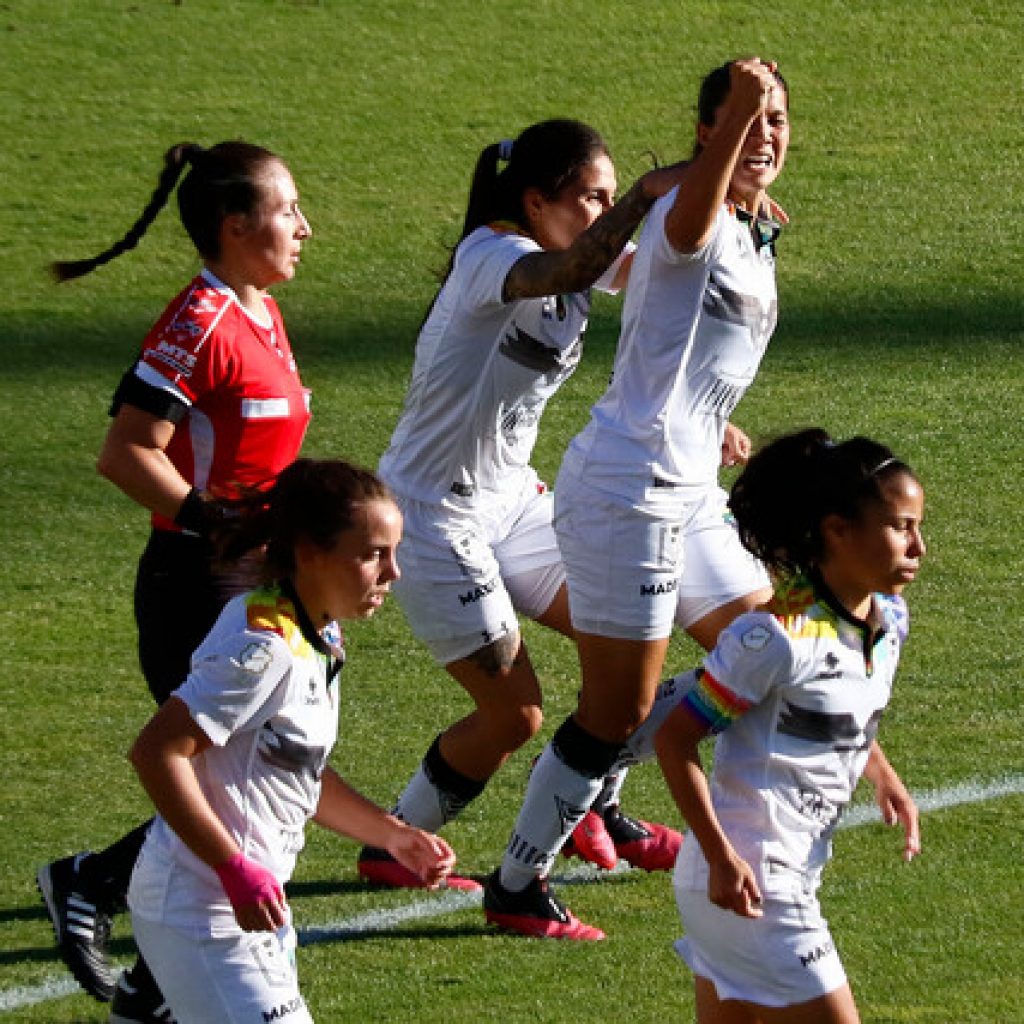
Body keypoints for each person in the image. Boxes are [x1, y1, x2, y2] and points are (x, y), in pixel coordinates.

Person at [480, 58, 788, 938]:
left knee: (773, 650)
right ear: (709, 131)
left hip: (685, 488)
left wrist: (717, 421)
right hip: (628, 491)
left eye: (778, 120)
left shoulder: (749, 227)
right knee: (614, 708)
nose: (766, 132)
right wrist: (727, 132)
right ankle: (515, 884)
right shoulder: (689, 216)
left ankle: (609, 788)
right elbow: (686, 226)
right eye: (748, 118)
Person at [357, 119, 696, 905]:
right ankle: (391, 843)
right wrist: (648, 191)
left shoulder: (574, 255)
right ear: (536, 201)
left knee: (620, 641)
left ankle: (593, 805)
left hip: (509, 502)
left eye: (612, 196)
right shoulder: (494, 257)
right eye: (593, 197)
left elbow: (655, 271)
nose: (605, 211)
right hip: (434, 517)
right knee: (516, 713)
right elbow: (582, 259)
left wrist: (730, 198)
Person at [36, 140, 313, 1021]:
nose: (305, 227)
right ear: (237, 226)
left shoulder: (260, 309)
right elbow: (126, 452)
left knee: (270, 771)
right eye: (287, 212)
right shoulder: (198, 322)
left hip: (259, 577)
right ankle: (92, 881)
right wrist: (213, 521)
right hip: (197, 585)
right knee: (229, 777)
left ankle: (149, 995)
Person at [125, 457, 455, 1024]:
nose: (393, 573)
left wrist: (392, 835)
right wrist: (233, 867)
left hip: (252, 905)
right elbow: (157, 752)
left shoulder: (317, 633)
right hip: (203, 909)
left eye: (394, 553)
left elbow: (293, 768)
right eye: (373, 554)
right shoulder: (263, 648)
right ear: (309, 551)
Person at [655, 429, 924, 1023]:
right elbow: (674, 740)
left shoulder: (889, 622)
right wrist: (723, 857)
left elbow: (838, 709)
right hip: (753, 884)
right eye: (899, 526)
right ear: (837, 530)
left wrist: (882, 773)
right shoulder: (774, 638)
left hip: (760, 881)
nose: (918, 546)